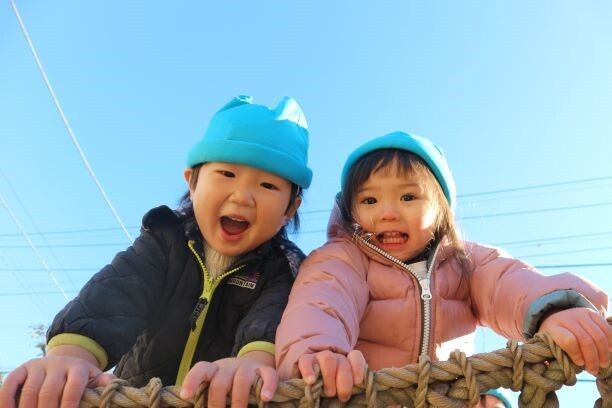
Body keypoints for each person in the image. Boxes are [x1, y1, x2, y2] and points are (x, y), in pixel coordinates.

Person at [0, 95, 312, 408]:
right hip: (139, 400)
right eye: (227, 174)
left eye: (268, 186)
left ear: (290, 209)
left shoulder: (283, 269)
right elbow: (115, 295)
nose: (243, 197)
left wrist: (252, 363)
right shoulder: (164, 242)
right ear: (192, 182)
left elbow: (271, 322)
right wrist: (70, 356)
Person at [275, 131, 611, 404]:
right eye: (369, 200)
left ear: (441, 209)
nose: (388, 213)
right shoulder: (344, 259)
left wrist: (554, 310)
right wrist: (319, 352)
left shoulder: (466, 262)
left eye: (408, 197)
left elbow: (509, 283)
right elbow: (322, 300)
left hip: (449, 398)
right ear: (350, 211)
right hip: (369, 397)